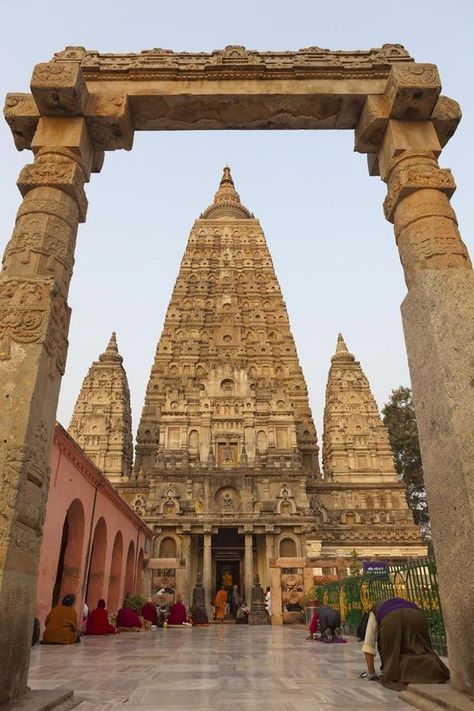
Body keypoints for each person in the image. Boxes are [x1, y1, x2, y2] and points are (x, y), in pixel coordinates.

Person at [362, 597, 450, 690]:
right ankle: (431, 669)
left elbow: (369, 644)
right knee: (420, 647)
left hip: (391, 619)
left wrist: (371, 673)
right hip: (416, 615)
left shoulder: (374, 610)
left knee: (393, 654)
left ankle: (398, 673)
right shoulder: (403, 601)